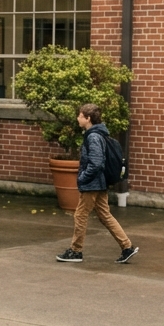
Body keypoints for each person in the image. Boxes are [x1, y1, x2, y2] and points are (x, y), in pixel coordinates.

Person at [55, 103, 138, 265]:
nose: (77, 118)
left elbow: (97, 163)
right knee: (105, 215)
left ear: (88, 118)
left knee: (80, 215)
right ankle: (127, 246)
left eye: (80, 116)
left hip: (92, 184)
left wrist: (83, 178)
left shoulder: (93, 137)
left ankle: (75, 251)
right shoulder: (98, 134)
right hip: (100, 183)